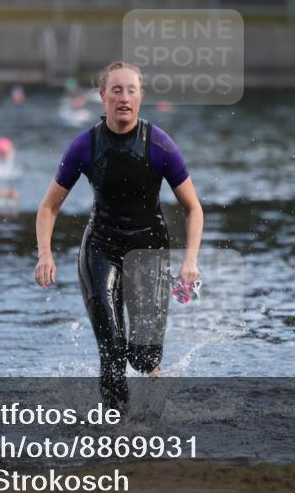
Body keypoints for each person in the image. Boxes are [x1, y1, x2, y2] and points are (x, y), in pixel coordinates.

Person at [35, 61, 203, 412]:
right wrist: (45, 254)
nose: (123, 97)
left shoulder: (160, 144)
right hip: (101, 248)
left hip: (149, 250)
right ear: (102, 97)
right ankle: (117, 428)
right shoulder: (85, 146)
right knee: (111, 347)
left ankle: (148, 374)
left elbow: (193, 208)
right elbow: (48, 207)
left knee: (142, 359)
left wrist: (190, 261)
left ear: (141, 97)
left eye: (131, 90)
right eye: (116, 90)